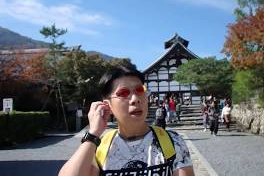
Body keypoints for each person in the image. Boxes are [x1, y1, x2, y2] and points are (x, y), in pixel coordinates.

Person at [58, 66, 194, 176]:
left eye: (140, 90)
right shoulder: (99, 147)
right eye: (123, 93)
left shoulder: (173, 142)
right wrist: (93, 134)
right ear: (107, 105)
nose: (135, 98)